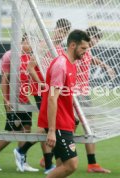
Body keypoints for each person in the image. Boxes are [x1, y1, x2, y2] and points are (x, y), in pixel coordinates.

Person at [16, 18, 71, 174]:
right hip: (41, 90)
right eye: (61, 31)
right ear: (55, 29)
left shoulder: (59, 47)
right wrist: (41, 83)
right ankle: (24, 152)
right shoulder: (44, 44)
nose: (62, 34)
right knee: (47, 126)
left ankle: (48, 164)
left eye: (65, 32)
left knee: (48, 127)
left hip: (50, 90)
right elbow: (30, 67)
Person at [38, 29, 90, 178]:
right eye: (83, 48)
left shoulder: (71, 64)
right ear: (72, 45)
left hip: (65, 121)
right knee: (71, 164)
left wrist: (72, 116)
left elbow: (65, 96)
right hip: (58, 124)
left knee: (61, 164)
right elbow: (52, 99)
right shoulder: (61, 65)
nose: (85, 52)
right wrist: (52, 130)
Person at [0, 33, 38, 172]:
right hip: (13, 100)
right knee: (13, 132)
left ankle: (22, 162)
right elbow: (4, 79)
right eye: (30, 42)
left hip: (25, 100)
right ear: (23, 41)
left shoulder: (30, 57)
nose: (32, 46)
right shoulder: (10, 55)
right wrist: (6, 99)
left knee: (26, 130)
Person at [75, 26, 114, 173]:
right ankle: (51, 156)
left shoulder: (87, 51)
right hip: (75, 93)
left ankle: (92, 164)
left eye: (98, 39)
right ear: (90, 37)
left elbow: (92, 59)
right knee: (72, 128)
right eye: (96, 38)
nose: (97, 42)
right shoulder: (78, 50)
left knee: (88, 126)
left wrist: (105, 66)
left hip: (83, 92)